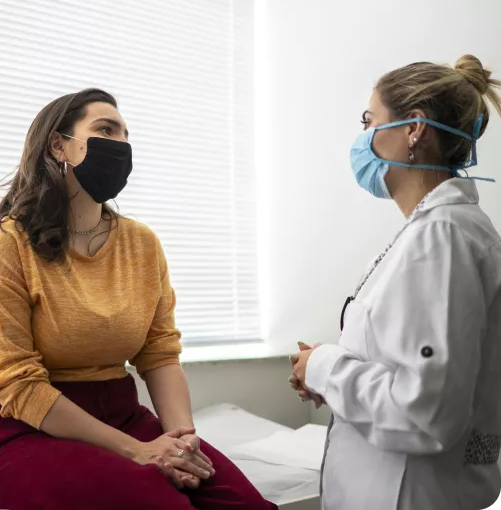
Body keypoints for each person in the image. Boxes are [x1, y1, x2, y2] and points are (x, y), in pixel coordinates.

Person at [0, 89, 276, 510]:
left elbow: (159, 351)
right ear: (59, 145)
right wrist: (138, 450)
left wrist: (182, 440)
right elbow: (17, 383)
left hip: (123, 414)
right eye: (105, 129)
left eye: (126, 134)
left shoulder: (141, 243)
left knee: (242, 503)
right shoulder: (10, 244)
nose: (121, 144)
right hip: (34, 426)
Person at [289, 55, 501, 510]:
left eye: (370, 121)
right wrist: (330, 378)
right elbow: (410, 369)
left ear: (414, 128)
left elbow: (425, 414)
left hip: (414, 493)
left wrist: (325, 366)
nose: (362, 137)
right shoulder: (434, 233)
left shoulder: (442, 238)